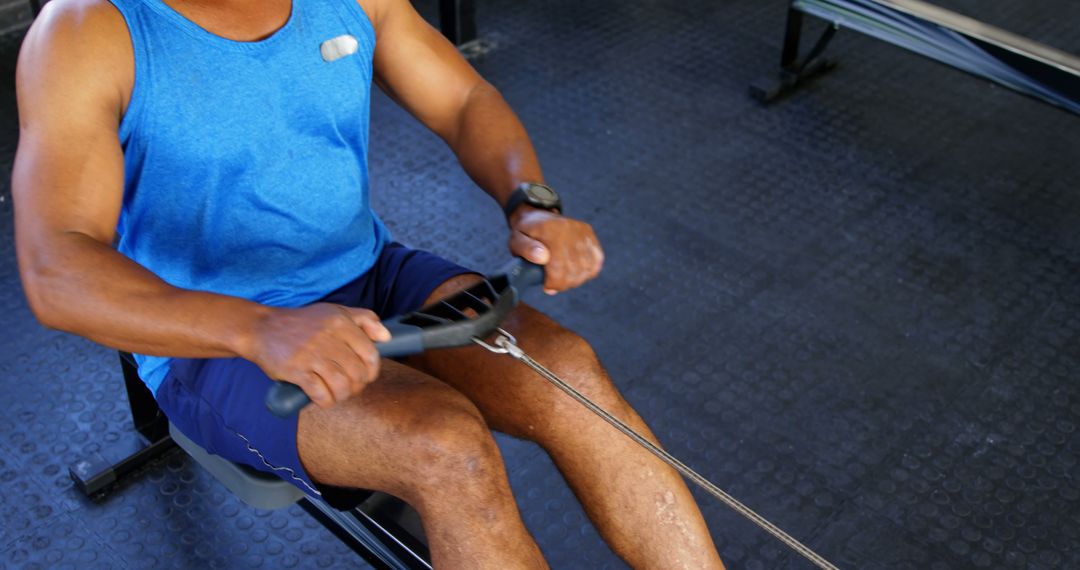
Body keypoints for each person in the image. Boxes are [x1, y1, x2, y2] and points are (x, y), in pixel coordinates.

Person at [13, 0, 725, 567]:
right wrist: (257, 328)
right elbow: (57, 268)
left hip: (371, 274)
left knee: (571, 376)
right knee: (445, 447)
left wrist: (530, 200)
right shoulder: (87, 31)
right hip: (217, 340)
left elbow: (463, 98)